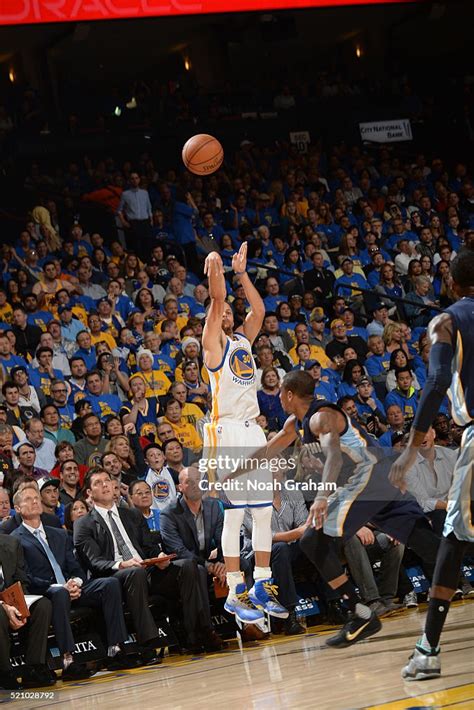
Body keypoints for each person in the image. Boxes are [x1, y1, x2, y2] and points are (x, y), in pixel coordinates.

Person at [239, 370, 440, 648]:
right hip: (381, 481)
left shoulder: (321, 417)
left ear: (287, 394)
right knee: (431, 547)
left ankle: (361, 613)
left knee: (312, 540)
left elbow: (333, 455)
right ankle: (361, 613)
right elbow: (266, 451)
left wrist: (321, 497)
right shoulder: (295, 424)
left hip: (366, 479)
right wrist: (228, 475)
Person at [389, 250, 474, 680]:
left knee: (454, 537)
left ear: (452, 284)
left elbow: (438, 380)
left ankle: (428, 650)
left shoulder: (446, 321)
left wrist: (408, 445)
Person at [201, 244, 288, 624]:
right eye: (222, 313)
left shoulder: (242, 342)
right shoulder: (212, 346)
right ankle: (236, 588)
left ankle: (262, 584)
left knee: (264, 512)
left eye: (231, 313)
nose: (228, 315)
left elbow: (261, 311)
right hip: (227, 432)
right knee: (235, 517)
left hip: (254, 431)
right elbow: (218, 299)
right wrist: (216, 272)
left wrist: (242, 274)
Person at [74, 468, 222, 654]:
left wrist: (159, 556)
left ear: (114, 486)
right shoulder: (83, 523)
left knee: (189, 566)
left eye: (107, 480)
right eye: (98, 483)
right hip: (115, 576)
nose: (105, 485)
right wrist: (121, 564)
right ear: (89, 493)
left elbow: (150, 546)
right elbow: (94, 562)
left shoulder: (131, 514)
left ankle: (195, 634)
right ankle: (148, 643)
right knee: (134, 572)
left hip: (146, 570)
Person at [12, 485, 130, 679]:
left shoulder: (58, 534)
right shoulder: (15, 540)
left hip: (71, 588)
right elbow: (26, 577)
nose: (34, 501)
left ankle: (115, 648)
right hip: (47, 592)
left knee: (109, 584)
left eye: (36, 498)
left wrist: (75, 583)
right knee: (59, 594)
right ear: (17, 508)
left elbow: (75, 568)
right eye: (28, 499)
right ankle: (69, 659)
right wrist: (62, 588)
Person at [0, 534, 54, 690]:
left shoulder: (11, 542)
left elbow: (21, 579)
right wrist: (4, 606)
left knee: (42, 605)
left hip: (9, 598)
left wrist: (20, 607)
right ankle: (4, 671)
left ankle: (34, 667)